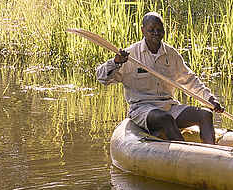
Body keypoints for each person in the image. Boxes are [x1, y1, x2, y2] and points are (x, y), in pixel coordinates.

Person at [95, 11, 223, 144]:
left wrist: (210, 99)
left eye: (159, 29)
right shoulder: (130, 55)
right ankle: (185, 154)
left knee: (205, 114)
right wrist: (116, 63)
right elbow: (102, 78)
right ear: (143, 30)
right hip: (142, 109)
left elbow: (190, 80)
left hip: (169, 106)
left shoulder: (171, 54)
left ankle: (213, 152)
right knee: (165, 118)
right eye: (151, 30)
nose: (156, 33)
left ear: (164, 31)